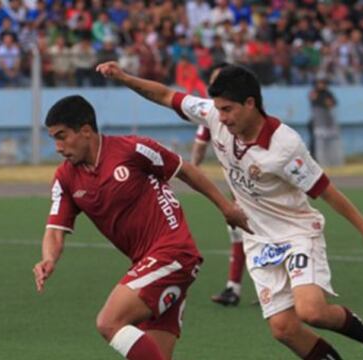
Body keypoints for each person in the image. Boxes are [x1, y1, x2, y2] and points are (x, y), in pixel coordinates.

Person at [96, 62, 363, 359]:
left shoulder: (284, 145)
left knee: (311, 311)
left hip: (296, 232)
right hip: (258, 240)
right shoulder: (215, 116)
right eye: (218, 109)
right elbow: (165, 95)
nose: (221, 117)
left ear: (250, 103)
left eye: (228, 109)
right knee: (284, 329)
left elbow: (324, 189)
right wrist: (124, 77)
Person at [33, 95, 251, 360]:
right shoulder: (66, 177)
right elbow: (55, 228)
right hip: (149, 264)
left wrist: (226, 209)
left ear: (86, 131)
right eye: (53, 138)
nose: (57, 146)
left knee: (109, 321)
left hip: (172, 252)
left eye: (62, 136)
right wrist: (48, 259)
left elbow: (186, 170)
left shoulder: (132, 149)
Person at [190, 62, 245, 306]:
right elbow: (201, 144)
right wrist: (193, 171)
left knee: (252, 232)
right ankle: (235, 287)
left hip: (255, 184)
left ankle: (238, 288)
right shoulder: (215, 111)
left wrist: (192, 170)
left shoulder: (235, 110)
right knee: (241, 232)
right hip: (240, 185)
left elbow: (201, 147)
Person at [308, 78, 344, 167]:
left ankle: (333, 162)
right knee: (318, 144)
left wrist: (328, 103)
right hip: (319, 122)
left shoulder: (328, 93)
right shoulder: (314, 93)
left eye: (323, 83)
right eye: (319, 83)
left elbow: (333, 103)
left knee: (331, 144)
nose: (321, 85)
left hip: (329, 122)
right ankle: (320, 162)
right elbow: (316, 102)